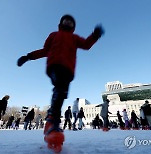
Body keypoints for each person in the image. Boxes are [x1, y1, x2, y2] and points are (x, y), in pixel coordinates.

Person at [17, 14, 104, 152]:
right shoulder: (53, 34)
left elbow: (86, 45)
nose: (68, 22)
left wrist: (95, 35)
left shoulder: (74, 38)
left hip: (68, 69)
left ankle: (51, 117)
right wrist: (29, 56)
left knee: (62, 94)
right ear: (61, 23)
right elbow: (45, 50)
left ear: (73, 26)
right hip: (55, 66)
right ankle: (54, 123)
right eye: (66, 20)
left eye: (71, 21)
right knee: (59, 88)